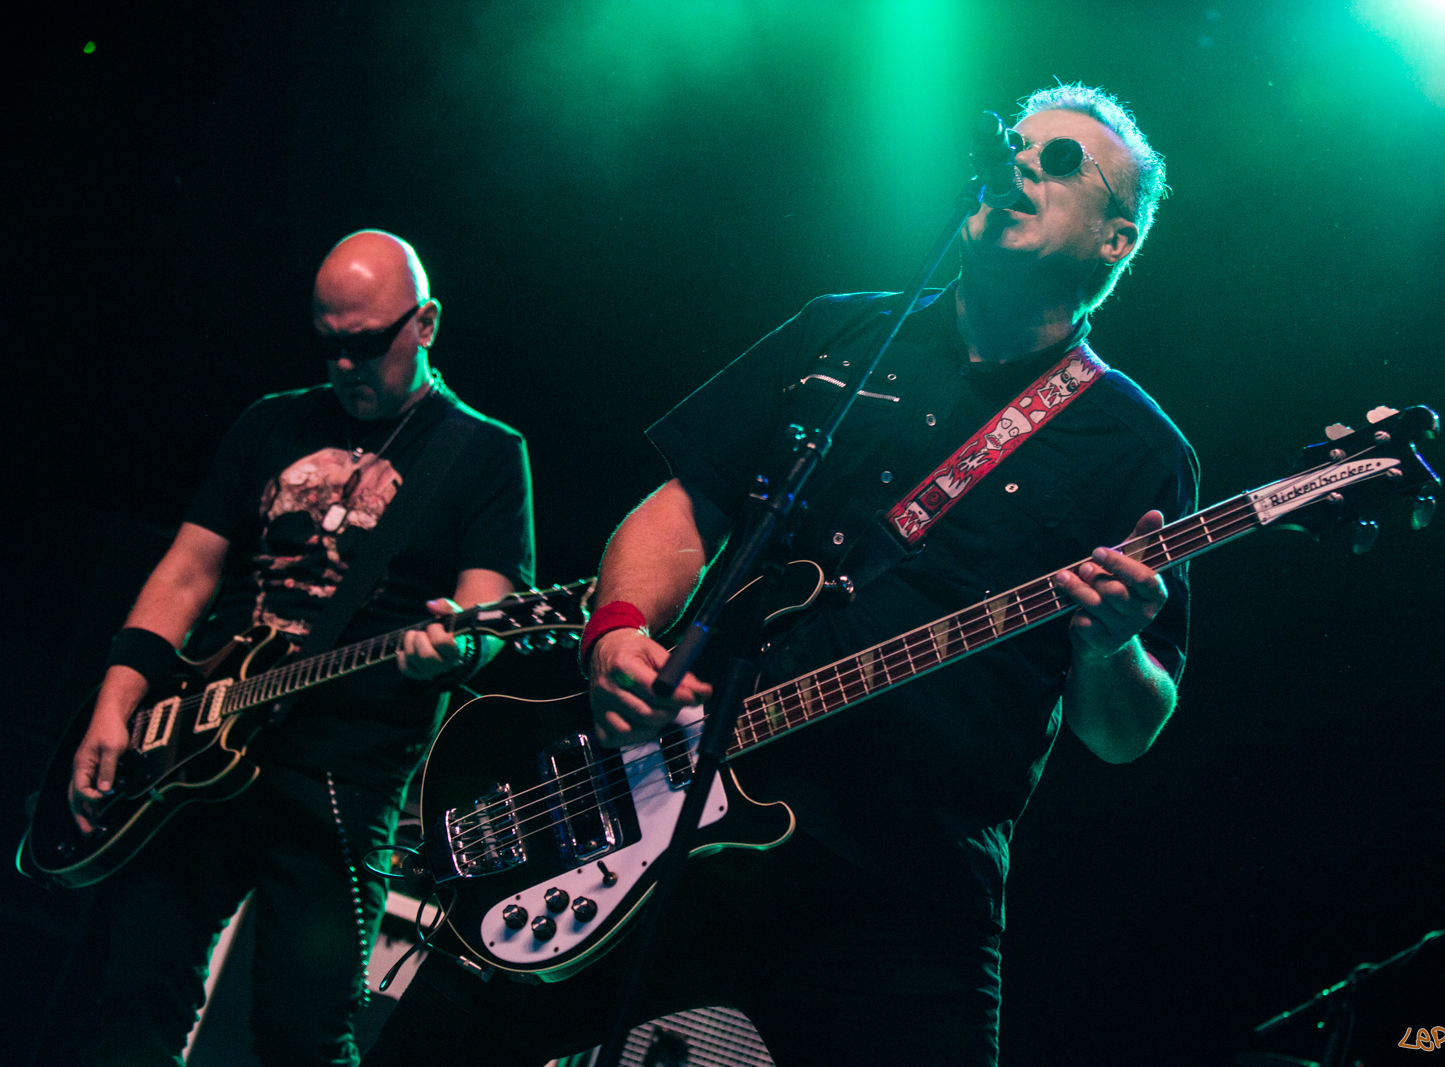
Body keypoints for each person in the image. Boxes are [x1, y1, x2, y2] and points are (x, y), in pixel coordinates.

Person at [365, 83, 1196, 1066]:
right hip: (677, 806)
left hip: (905, 884)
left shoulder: (1136, 446)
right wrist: (620, 628)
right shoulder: (839, 334)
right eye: (1015, 144)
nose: (1020, 161)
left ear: (1116, 239)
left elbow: (1124, 726)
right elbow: (682, 506)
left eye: (1063, 162)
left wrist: (1113, 644)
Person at [46, 230, 536, 1066]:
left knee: (300, 1030)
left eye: (367, 344)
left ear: (426, 323)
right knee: (133, 984)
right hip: (195, 738)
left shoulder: (485, 453)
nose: (345, 367)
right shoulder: (271, 421)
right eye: (329, 344)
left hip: (342, 772)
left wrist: (453, 648)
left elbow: (487, 610)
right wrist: (115, 702)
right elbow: (187, 573)